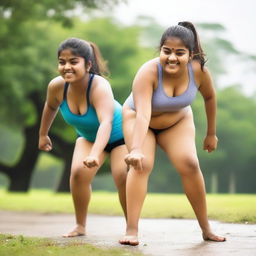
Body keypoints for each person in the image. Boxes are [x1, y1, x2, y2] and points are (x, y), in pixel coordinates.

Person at [120, 21, 226, 246]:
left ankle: (206, 228)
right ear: (160, 50)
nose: (172, 58)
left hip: (177, 121)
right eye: (166, 51)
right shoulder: (148, 72)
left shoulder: (199, 71)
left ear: (191, 54)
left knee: (189, 163)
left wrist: (211, 133)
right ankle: (131, 230)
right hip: (138, 118)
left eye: (180, 53)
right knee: (142, 165)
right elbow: (143, 114)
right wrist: (136, 149)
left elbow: (210, 97)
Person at [38, 38, 128, 237]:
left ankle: (131, 228)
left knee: (121, 176)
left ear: (88, 64)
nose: (66, 67)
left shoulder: (99, 86)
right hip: (88, 136)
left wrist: (96, 154)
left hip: (121, 135)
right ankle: (80, 225)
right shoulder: (56, 87)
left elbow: (106, 122)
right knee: (78, 174)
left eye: (73, 62)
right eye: (62, 62)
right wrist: (43, 134)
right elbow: (50, 107)